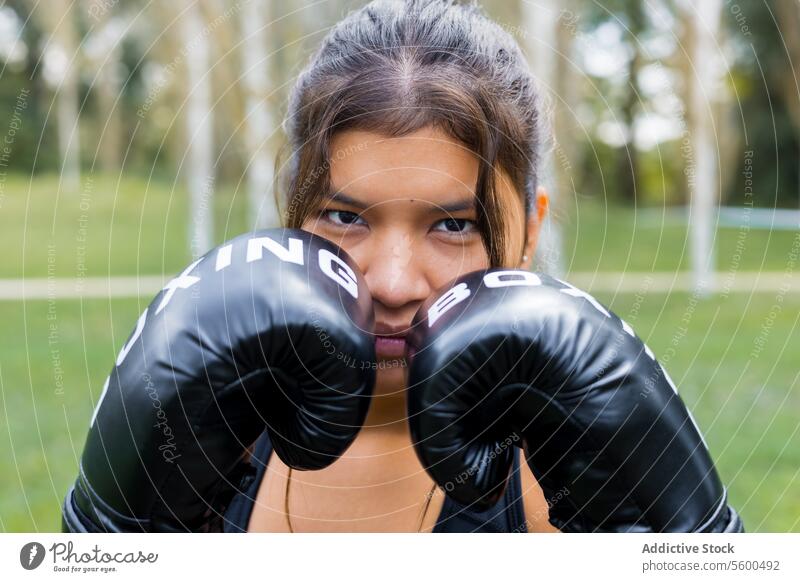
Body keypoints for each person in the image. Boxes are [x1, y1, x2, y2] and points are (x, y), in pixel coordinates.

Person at [62, 0, 742, 533]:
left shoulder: (553, 487)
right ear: (290, 214)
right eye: (346, 217)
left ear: (531, 229)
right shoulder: (215, 437)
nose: (391, 282)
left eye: (454, 224)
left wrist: (696, 543)